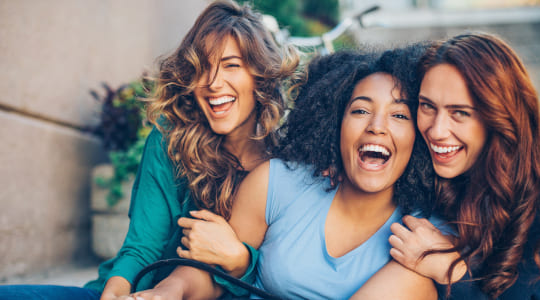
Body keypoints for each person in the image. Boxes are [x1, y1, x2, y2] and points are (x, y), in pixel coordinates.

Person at [0, 1, 298, 300]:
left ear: (261, 75)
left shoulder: (288, 166)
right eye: (201, 68)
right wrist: (115, 291)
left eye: (231, 65)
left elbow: (290, 275)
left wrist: (241, 260)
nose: (212, 82)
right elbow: (142, 245)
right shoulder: (172, 139)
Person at [155, 46, 447, 299]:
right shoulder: (278, 183)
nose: (377, 126)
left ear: (420, 135)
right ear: (334, 124)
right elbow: (211, 271)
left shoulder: (428, 235)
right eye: (360, 111)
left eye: (399, 115)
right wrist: (167, 292)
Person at [388, 32, 540, 299]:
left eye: (460, 112)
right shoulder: (429, 172)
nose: (436, 131)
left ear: (499, 116)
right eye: (427, 106)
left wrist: (451, 271)